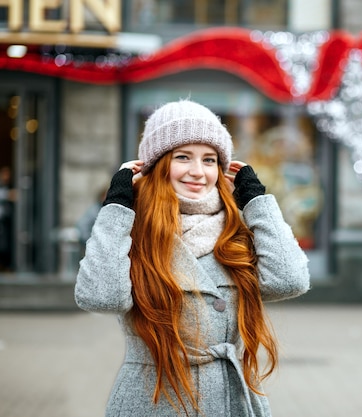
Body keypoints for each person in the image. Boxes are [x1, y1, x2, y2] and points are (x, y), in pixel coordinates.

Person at [74, 99, 310, 417]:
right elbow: (101, 297)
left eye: (210, 160)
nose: (198, 172)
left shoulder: (235, 233)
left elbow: (290, 280)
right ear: (157, 165)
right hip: (154, 401)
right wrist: (118, 206)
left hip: (229, 400)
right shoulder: (132, 231)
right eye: (183, 157)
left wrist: (258, 204)